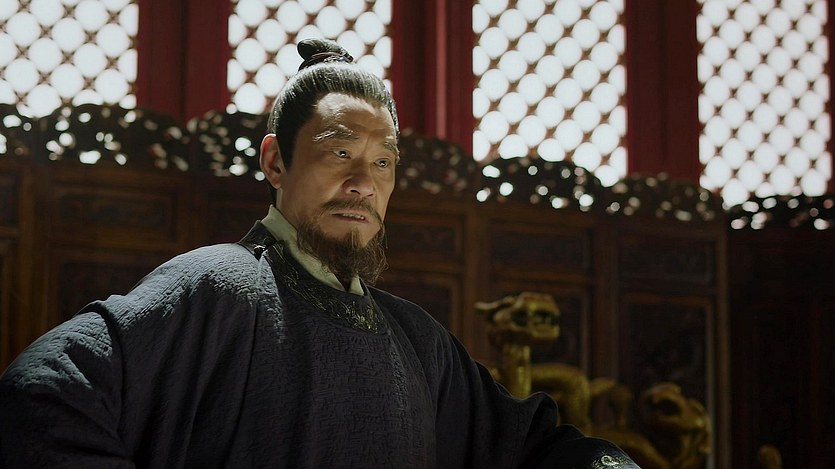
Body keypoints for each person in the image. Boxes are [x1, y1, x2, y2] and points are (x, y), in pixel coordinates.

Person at [0, 39, 640, 468]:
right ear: (276, 161)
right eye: (339, 152)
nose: (363, 182)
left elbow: (533, 446)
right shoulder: (218, 288)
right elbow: (39, 392)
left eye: (383, 162)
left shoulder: (418, 341)